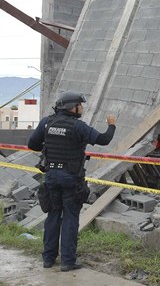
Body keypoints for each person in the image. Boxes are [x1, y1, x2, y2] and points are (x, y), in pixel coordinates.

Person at [28, 91, 116, 272]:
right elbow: (103, 140)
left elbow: (32, 145)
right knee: (70, 218)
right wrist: (111, 126)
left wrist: (49, 144)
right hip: (71, 179)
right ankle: (68, 262)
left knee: (52, 216)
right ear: (72, 107)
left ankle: (48, 259)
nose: (82, 108)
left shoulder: (47, 122)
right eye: (80, 105)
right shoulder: (78, 127)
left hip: (51, 177)